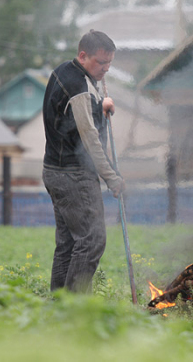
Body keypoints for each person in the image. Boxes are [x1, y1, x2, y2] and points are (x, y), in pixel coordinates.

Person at [42, 29, 125, 293]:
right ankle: (74, 311)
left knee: (69, 244)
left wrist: (99, 106)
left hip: (54, 171)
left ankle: (58, 307)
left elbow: (69, 120)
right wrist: (112, 177)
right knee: (91, 241)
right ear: (83, 56)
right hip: (73, 176)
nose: (106, 69)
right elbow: (89, 139)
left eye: (109, 63)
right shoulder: (79, 87)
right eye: (101, 62)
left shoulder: (63, 72)